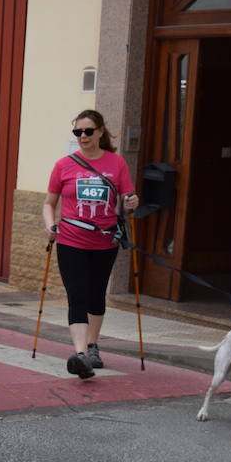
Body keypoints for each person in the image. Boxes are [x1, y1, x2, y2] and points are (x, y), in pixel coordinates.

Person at [44, 110, 138, 378]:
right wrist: (51, 225)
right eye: (78, 132)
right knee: (77, 295)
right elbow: (49, 203)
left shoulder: (116, 163)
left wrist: (131, 202)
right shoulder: (64, 165)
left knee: (96, 294)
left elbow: (127, 198)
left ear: (100, 132)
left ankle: (93, 345)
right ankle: (81, 354)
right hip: (71, 240)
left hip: (105, 241)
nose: (82, 137)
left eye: (87, 131)